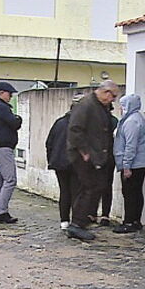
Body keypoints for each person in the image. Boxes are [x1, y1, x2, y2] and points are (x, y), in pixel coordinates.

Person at [65, 80, 120, 241]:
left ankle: (83, 220)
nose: (113, 100)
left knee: (96, 187)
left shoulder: (99, 106)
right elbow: (75, 129)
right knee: (89, 188)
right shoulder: (86, 105)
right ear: (105, 92)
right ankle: (77, 224)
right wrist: (84, 151)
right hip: (85, 155)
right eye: (113, 96)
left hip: (97, 154)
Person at [112, 93, 145, 234]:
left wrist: (126, 166)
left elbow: (131, 146)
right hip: (142, 163)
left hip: (135, 164)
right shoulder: (136, 118)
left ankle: (129, 222)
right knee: (136, 192)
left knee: (129, 193)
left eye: (123, 106)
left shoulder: (131, 122)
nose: (121, 109)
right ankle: (136, 221)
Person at [45, 95, 83, 230]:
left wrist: (51, 159)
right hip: (75, 163)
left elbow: (49, 143)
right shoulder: (81, 125)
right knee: (76, 192)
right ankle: (75, 221)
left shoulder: (59, 122)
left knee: (65, 191)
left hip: (59, 163)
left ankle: (64, 220)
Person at [0, 81, 22, 224]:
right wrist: (18, 118)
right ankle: (1, 211)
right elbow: (14, 123)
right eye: (9, 94)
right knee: (10, 180)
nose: (11, 97)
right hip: (3, 149)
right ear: (2, 93)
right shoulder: (1, 108)